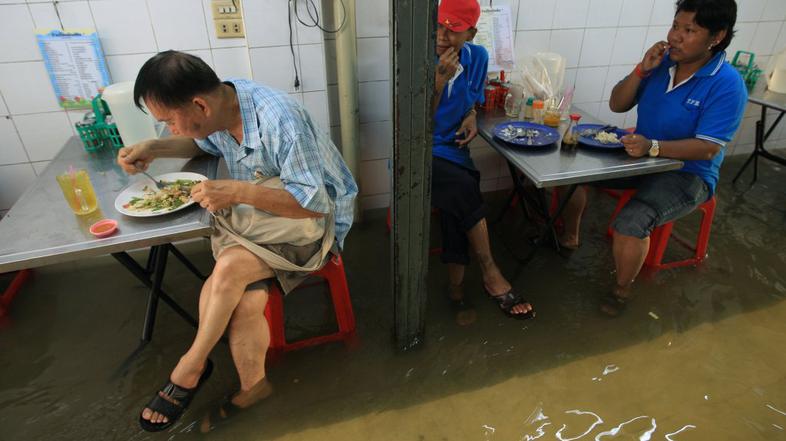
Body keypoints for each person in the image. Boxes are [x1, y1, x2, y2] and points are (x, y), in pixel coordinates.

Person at [118, 51, 358, 432]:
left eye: (168, 121)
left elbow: (313, 205)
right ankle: (255, 387)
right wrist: (154, 147)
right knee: (243, 299)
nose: (170, 129)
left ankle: (191, 366)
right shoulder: (222, 105)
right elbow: (202, 143)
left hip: (315, 223)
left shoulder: (280, 120)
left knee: (227, 268)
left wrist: (236, 192)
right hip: (266, 222)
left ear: (199, 104)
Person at [560, 0, 746, 316]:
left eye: (689, 30)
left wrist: (653, 147)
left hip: (689, 173)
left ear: (717, 36)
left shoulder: (727, 84)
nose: (675, 37)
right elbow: (618, 105)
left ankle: (621, 290)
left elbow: (708, 148)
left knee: (631, 221)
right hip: (643, 155)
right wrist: (640, 70)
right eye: (676, 26)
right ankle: (569, 237)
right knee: (570, 166)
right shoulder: (661, 65)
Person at [431, 0, 534, 324]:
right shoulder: (418, 58)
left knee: (455, 201)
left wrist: (472, 117)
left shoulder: (478, 58)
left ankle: (456, 288)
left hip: (453, 150)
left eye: (453, 30)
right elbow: (409, 125)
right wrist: (437, 83)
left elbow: (471, 103)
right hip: (418, 151)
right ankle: (490, 272)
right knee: (463, 188)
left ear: (472, 33)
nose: (443, 35)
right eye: (439, 25)